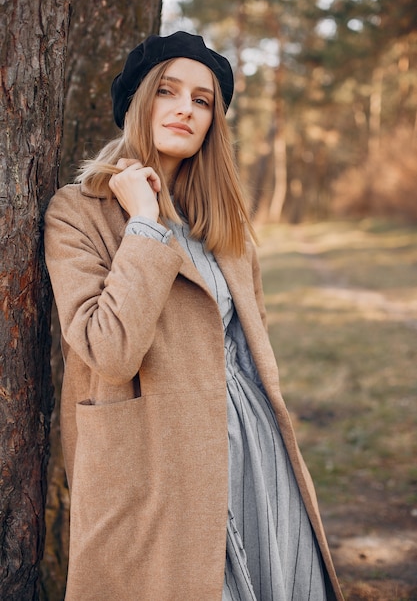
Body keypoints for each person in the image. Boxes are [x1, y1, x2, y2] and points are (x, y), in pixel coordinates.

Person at [44, 31, 344, 601]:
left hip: (249, 447)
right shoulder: (78, 211)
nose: (185, 108)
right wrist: (144, 225)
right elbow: (108, 350)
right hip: (154, 456)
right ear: (138, 103)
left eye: (202, 100)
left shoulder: (224, 224)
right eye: (168, 91)